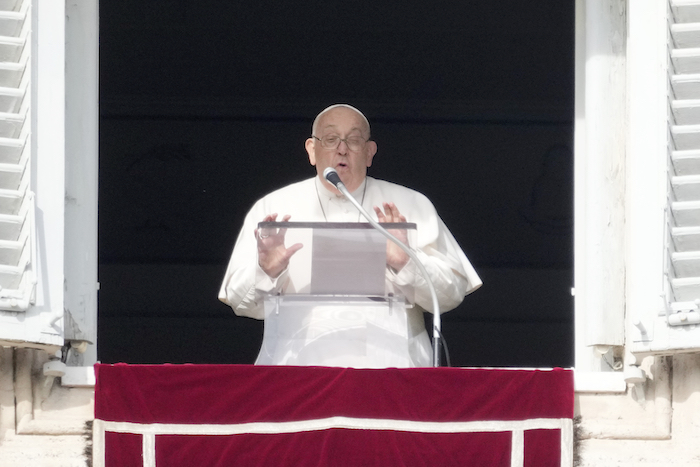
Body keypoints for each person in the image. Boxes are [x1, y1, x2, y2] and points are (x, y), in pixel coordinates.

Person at [219, 104, 481, 368]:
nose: (341, 149)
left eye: (354, 140)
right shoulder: (272, 208)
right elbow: (241, 303)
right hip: (297, 374)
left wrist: (406, 262)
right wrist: (267, 271)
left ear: (369, 153)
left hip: (393, 373)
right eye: (331, 139)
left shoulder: (411, 205)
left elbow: (450, 295)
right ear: (311, 150)